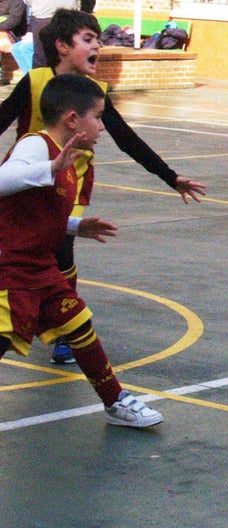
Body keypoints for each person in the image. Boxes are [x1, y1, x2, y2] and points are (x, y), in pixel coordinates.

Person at [0, 10, 207, 365]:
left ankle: (65, 329)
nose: (98, 45)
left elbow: (127, 138)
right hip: (27, 177)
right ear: (62, 46)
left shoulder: (94, 92)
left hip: (69, 184)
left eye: (98, 38)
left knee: (61, 249)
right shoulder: (35, 82)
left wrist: (170, 177)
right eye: (88, 39)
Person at [0, 73, 164, 428]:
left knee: (78, 323)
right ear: (72, 119)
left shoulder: (67, 158)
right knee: (4, 336)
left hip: (39, 266)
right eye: (97, 116)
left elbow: (34, 212)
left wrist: (75, 226)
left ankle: (116, 401)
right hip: (10, 267)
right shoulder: (37, 147)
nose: (102, 126)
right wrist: (48, 168)